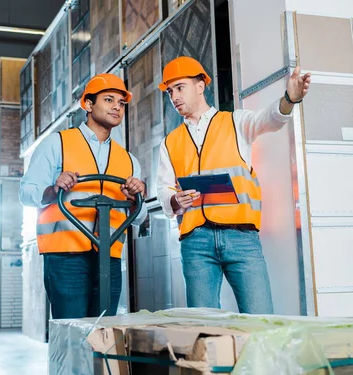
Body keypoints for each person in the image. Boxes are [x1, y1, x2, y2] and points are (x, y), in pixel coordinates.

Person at [156, 56, 311, 314]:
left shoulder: (235, 122)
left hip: (241, 238)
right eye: (170, 91)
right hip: (196, 242)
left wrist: (290, 99)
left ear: (200, 86)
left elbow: (270, 118)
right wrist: (174, 200)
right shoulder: (170, 142)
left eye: (179, 87)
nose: (174, 97)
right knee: (204, 328)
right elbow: (163, 189)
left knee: (260, 318)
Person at [19, 73, 147, 319]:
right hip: (66, 256)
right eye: (109, 100)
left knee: (103, 334)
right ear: (88, 104)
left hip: (108, 258)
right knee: (71, 333)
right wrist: (53, 189)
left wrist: (135, 198)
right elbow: (26, 193)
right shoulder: (57, 144)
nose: (116, 108)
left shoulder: (129, 160)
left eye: (121, 103)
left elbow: (139, 217)